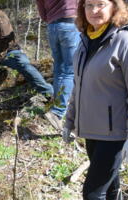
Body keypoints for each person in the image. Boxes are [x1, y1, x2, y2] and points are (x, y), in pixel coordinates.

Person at [62, 0, 128, 199]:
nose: (94, 10)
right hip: (92, 130)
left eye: (100, 4)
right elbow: (79, 86)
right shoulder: (85, 41)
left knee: (93, 193)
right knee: (111, 190)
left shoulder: (127, 41)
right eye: (88, 5)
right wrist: (69, 121)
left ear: (114, 7)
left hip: (115, 134)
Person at [35, 0, 81, 129]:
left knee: (59, 70)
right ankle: (58, 112)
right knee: (69, 70)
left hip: (52, 27)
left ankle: (56, 106)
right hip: (70, 24)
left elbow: (43, 14)